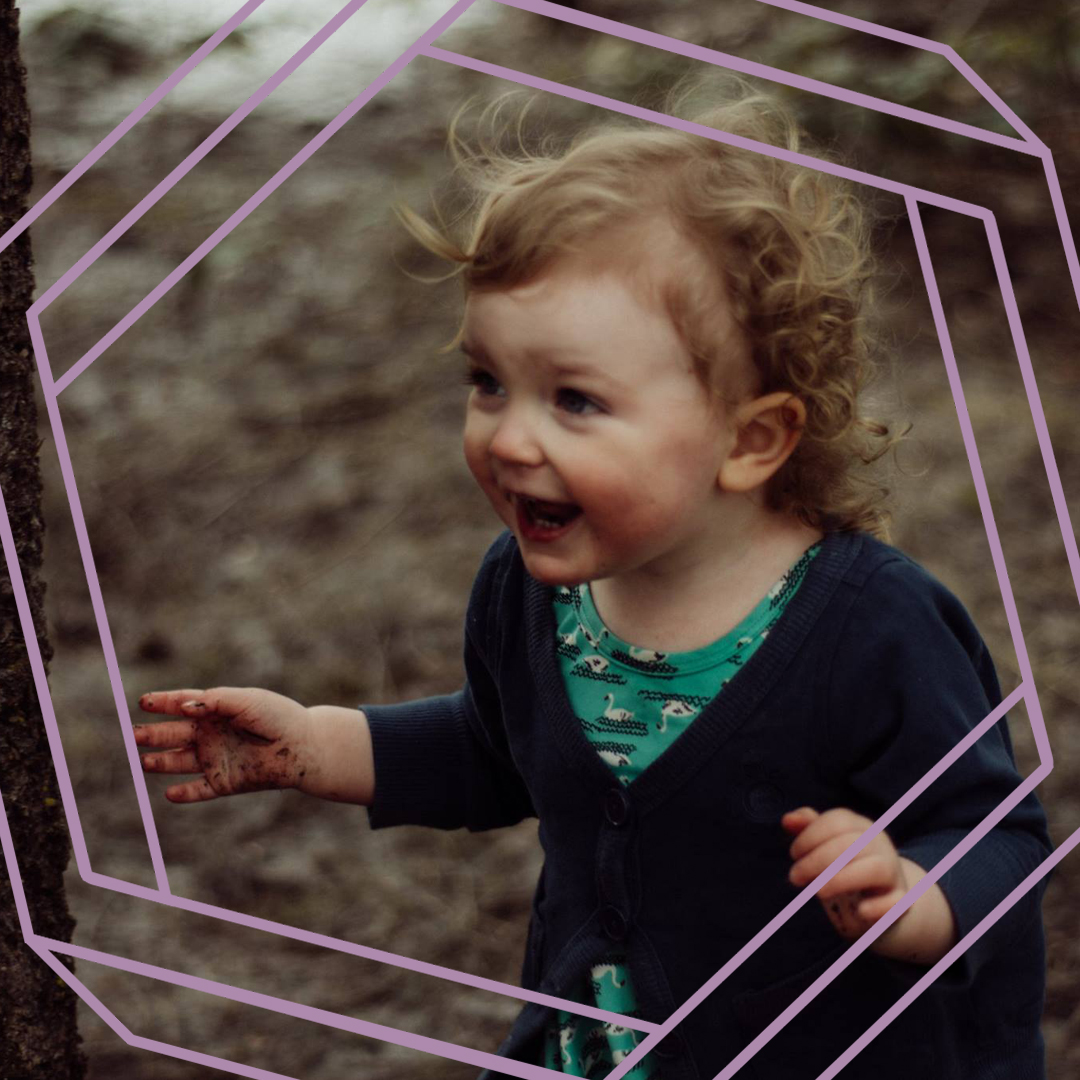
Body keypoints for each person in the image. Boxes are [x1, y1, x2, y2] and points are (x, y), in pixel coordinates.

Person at [135, 81, 1051, 1080]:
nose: (509, 435)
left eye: (575, 400)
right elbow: (498, 751)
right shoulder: (529, 593)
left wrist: (913, 894)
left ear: (749, 440)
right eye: (489, 382)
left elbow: (997, 829)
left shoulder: (873, 626)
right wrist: (317, 745)